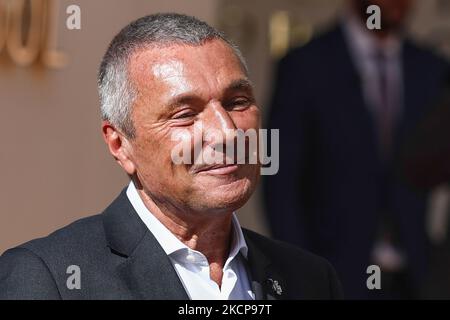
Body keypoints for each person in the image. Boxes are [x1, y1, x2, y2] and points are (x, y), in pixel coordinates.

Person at [0, 13, 342, 300]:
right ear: (120, 145)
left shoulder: (310, 280)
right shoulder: (48, 279)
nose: (226, 132)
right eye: (185, 114)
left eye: (237, 102)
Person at [264, 0, 449, 299]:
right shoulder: (305, 65)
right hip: (333, 274)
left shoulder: (431, 68)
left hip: (418, 278)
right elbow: (280, 182)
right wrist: (301, 274)